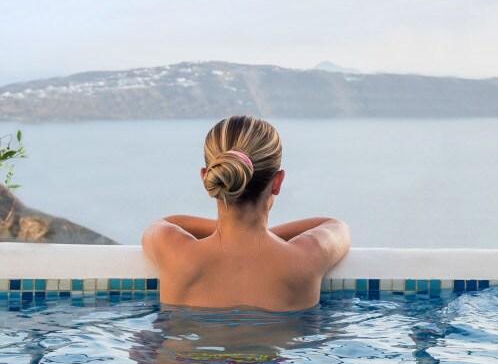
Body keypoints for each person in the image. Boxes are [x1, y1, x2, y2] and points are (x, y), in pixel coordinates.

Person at [140, 115, 351, 310]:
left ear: (207, 179)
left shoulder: (172, 250)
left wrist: (234, 229)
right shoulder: (305, 259)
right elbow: (336, 226)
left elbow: (163, 222)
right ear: (277, 182)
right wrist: (260, 234)